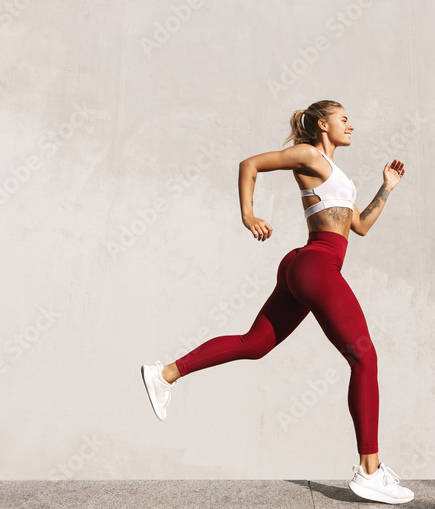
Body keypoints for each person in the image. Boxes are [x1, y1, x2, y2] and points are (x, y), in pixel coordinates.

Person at [141, 100, 413, 504]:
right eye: (344, 119)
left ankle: (164, 374)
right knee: (364, 358)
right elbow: (248, 165)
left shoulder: (338, 174)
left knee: (255, 344)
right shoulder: (309, 155)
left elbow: (359, 227)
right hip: (317, 265)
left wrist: (386, 189)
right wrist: (248, 215)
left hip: (303, 267)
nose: (351, 125)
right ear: (323, 125)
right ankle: (369, 471)